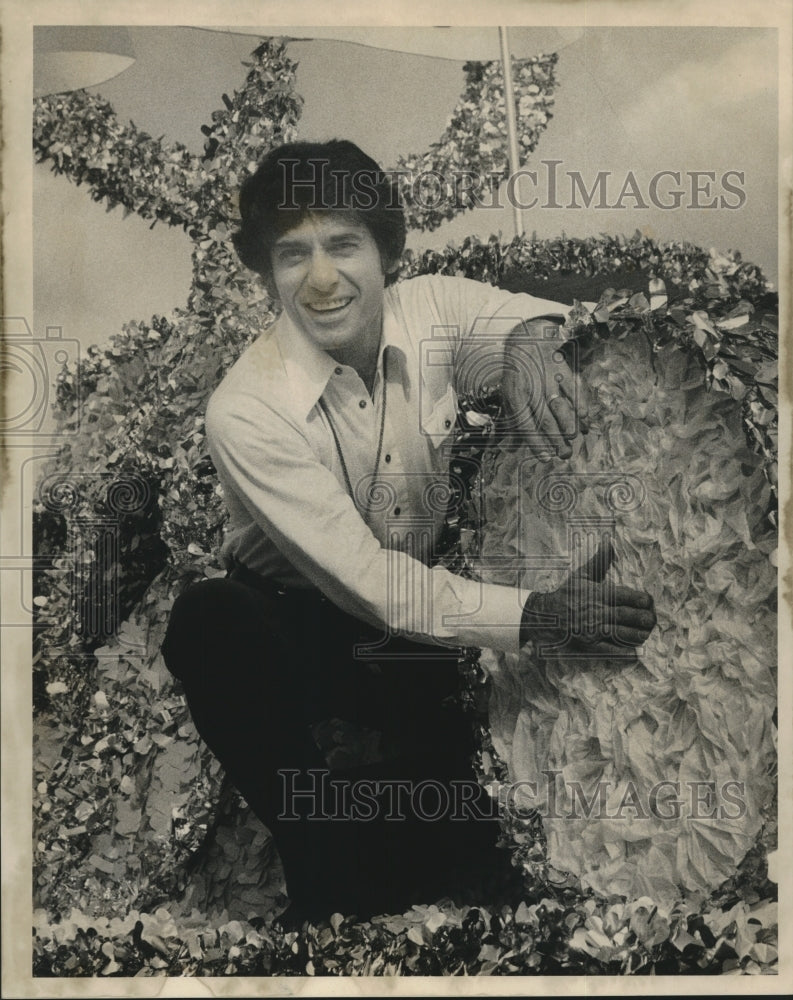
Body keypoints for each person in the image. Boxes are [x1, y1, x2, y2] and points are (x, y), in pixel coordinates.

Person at [161, 139, 657, 924]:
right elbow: (369, 583)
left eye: (344, 245)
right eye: (292, 255)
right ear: (264, 271)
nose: (322, 279)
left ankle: (400, 824)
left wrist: (526, 343)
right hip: (305, 626)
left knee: (472, 828)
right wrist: (541, 618)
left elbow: (527, 317)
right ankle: (317, 861)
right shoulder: (245, 409)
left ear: (387, 250)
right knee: (208, 620)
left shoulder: (428, 306)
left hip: (425, 636)